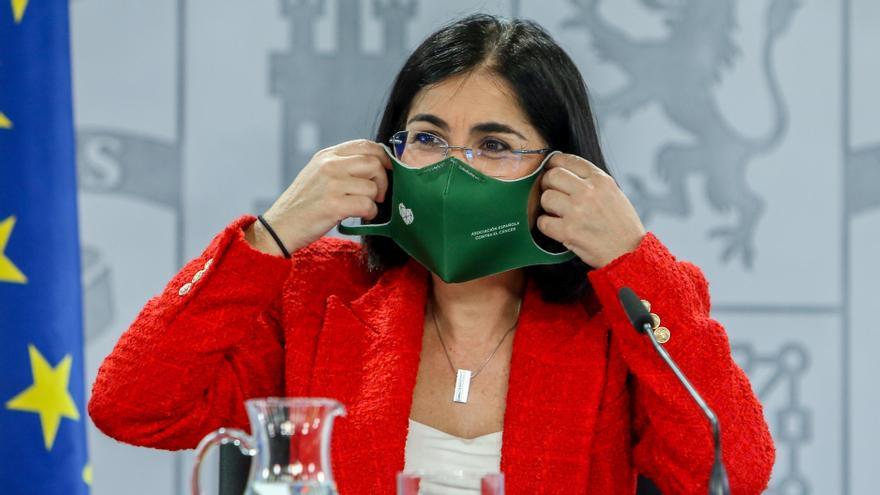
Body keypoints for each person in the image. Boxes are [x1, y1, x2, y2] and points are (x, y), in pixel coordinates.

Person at [88, 13, 775, 495]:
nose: (454, 169)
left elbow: (731, 470)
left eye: (496, 145)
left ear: (561, 173)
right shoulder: (319, 291)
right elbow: (134, 404)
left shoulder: (623, 308)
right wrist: (271, 234)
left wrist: (630, 256)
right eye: (428, 138)